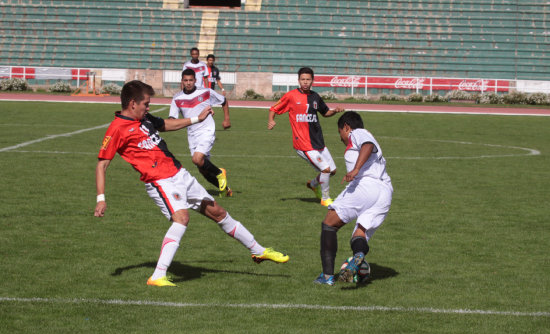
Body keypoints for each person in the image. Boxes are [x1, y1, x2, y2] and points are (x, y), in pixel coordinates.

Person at [94, 80, 289, 287]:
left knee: (218, 212)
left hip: (180, 174)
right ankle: (158, 275)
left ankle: (258, 251)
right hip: (160, 182)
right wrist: (101, 199)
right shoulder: (116, 128)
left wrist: (196, 118)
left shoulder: (145, 118)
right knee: (182, 218)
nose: (148, 107)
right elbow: (101, 165)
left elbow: (166, 124)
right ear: (133, 103)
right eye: (146, 104)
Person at [314, 111, 392, 285]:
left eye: (340, 131)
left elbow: (368, 144)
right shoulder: (358, 137)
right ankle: (357, 257)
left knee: (329, 224)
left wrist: (356, 169)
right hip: (385, 192)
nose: (340, 137)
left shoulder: (357, 133)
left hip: (366, 185)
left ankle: (327, 277)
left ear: (346, 127)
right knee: (360, 233)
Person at [268, 67, 344, 206]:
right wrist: (271, 120)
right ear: (298, 80)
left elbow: (325, 112)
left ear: (312, 81)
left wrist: (335, 111)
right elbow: (274, 108)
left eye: (308, 79)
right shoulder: (291, 96)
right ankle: (325, 198)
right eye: (302, 79)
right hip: (303, 144)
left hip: (318, 141)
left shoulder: (315, 97)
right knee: (325, 169)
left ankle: (314, 184)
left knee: (332, 171)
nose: (305, 82)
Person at [170, 68, 232, 197]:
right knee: (202, 169)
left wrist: (226, 119)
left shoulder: (205, 92)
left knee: (197, 159)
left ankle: (220, 173)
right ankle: (226, 189)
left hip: (207, 130)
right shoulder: (177, 98)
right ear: (182, 81)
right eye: (185, 80)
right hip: (192, 135)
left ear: (195, 80)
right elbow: (172, 119)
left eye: (191, 80)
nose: (188, 83)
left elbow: (224, 101)